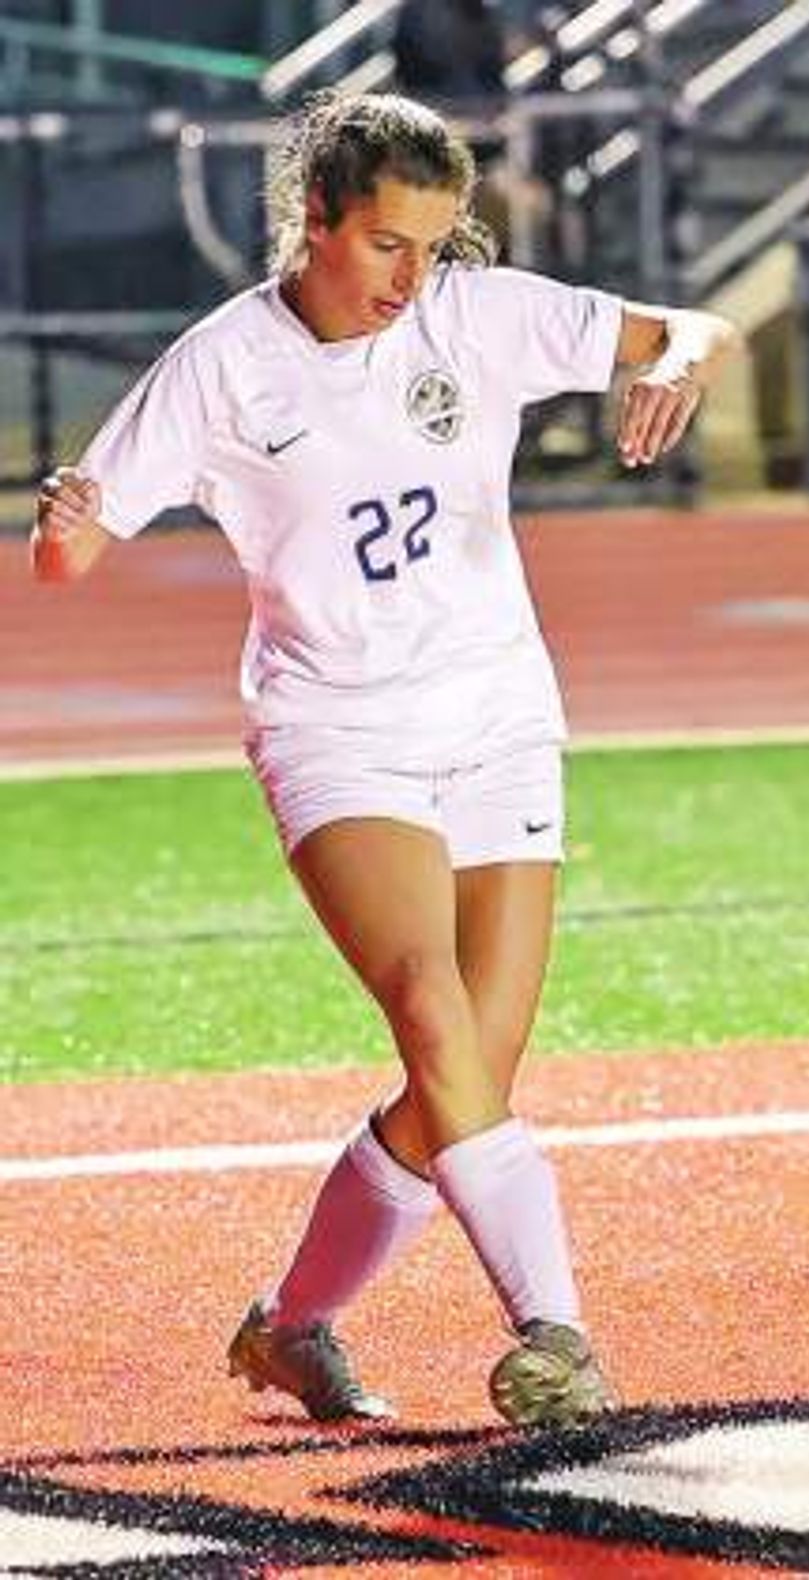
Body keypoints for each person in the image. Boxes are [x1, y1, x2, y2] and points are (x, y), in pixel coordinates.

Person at [31, 90, 738, 1428]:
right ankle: (558, 1334)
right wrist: (63, 521)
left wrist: (677, 360)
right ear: (315, 223)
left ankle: (291, 1328)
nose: (413, 279)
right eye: (386, 246)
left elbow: (698, 324)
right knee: (430, 1007)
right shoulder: (222, 365)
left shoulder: (473, 314)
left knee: (473, 1070)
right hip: (336, 727)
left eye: (436, 242)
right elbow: (69, 549)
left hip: (498, 717)